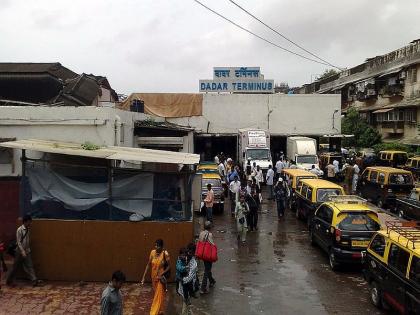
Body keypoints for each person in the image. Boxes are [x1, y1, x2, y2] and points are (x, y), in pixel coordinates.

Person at [6, 215, 41, 287]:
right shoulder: (20, 230)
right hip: (20, 251)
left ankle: (34, 280)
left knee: (30, 265)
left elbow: (27, 240)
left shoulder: (28, 228)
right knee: (15, 267)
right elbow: (18, 242)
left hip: (27, 250)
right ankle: (9, 280)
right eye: (29, 221)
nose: (30, 223)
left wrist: (27, 250)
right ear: (26, 221)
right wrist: (22, 251)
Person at [141, 239, 170, 315]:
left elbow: (169, 266)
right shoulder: (152, 252)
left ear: (162, 246)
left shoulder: (165, 254)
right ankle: (161, 311)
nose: (156, 247)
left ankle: (153, 312)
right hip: (153, 277)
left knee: (158, 295)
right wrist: (143, 277)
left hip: (160, 278)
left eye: (158, 245)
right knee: (158, 295)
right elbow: (148, 265)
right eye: (155, 245)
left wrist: (162, 273)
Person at [179, 243, 198, 315]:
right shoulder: (182, 258)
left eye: (191, 252)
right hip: (182, 286)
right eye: (188, 251)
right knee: (186, 303)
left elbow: (189, 278)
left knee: (185, 303)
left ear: (193, 253)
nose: (189, 253)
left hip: (188, 286)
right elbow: (178, 268)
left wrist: (181, 279)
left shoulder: (194, 264)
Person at [199, 221, 216, 294]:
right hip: (208, 254)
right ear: (210, 227)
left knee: (207, 268)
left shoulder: (201, 233)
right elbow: (212, 244)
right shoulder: (209, 234)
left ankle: (212, 281)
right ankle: (203, 288)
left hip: (202, 254)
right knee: (207, 270)